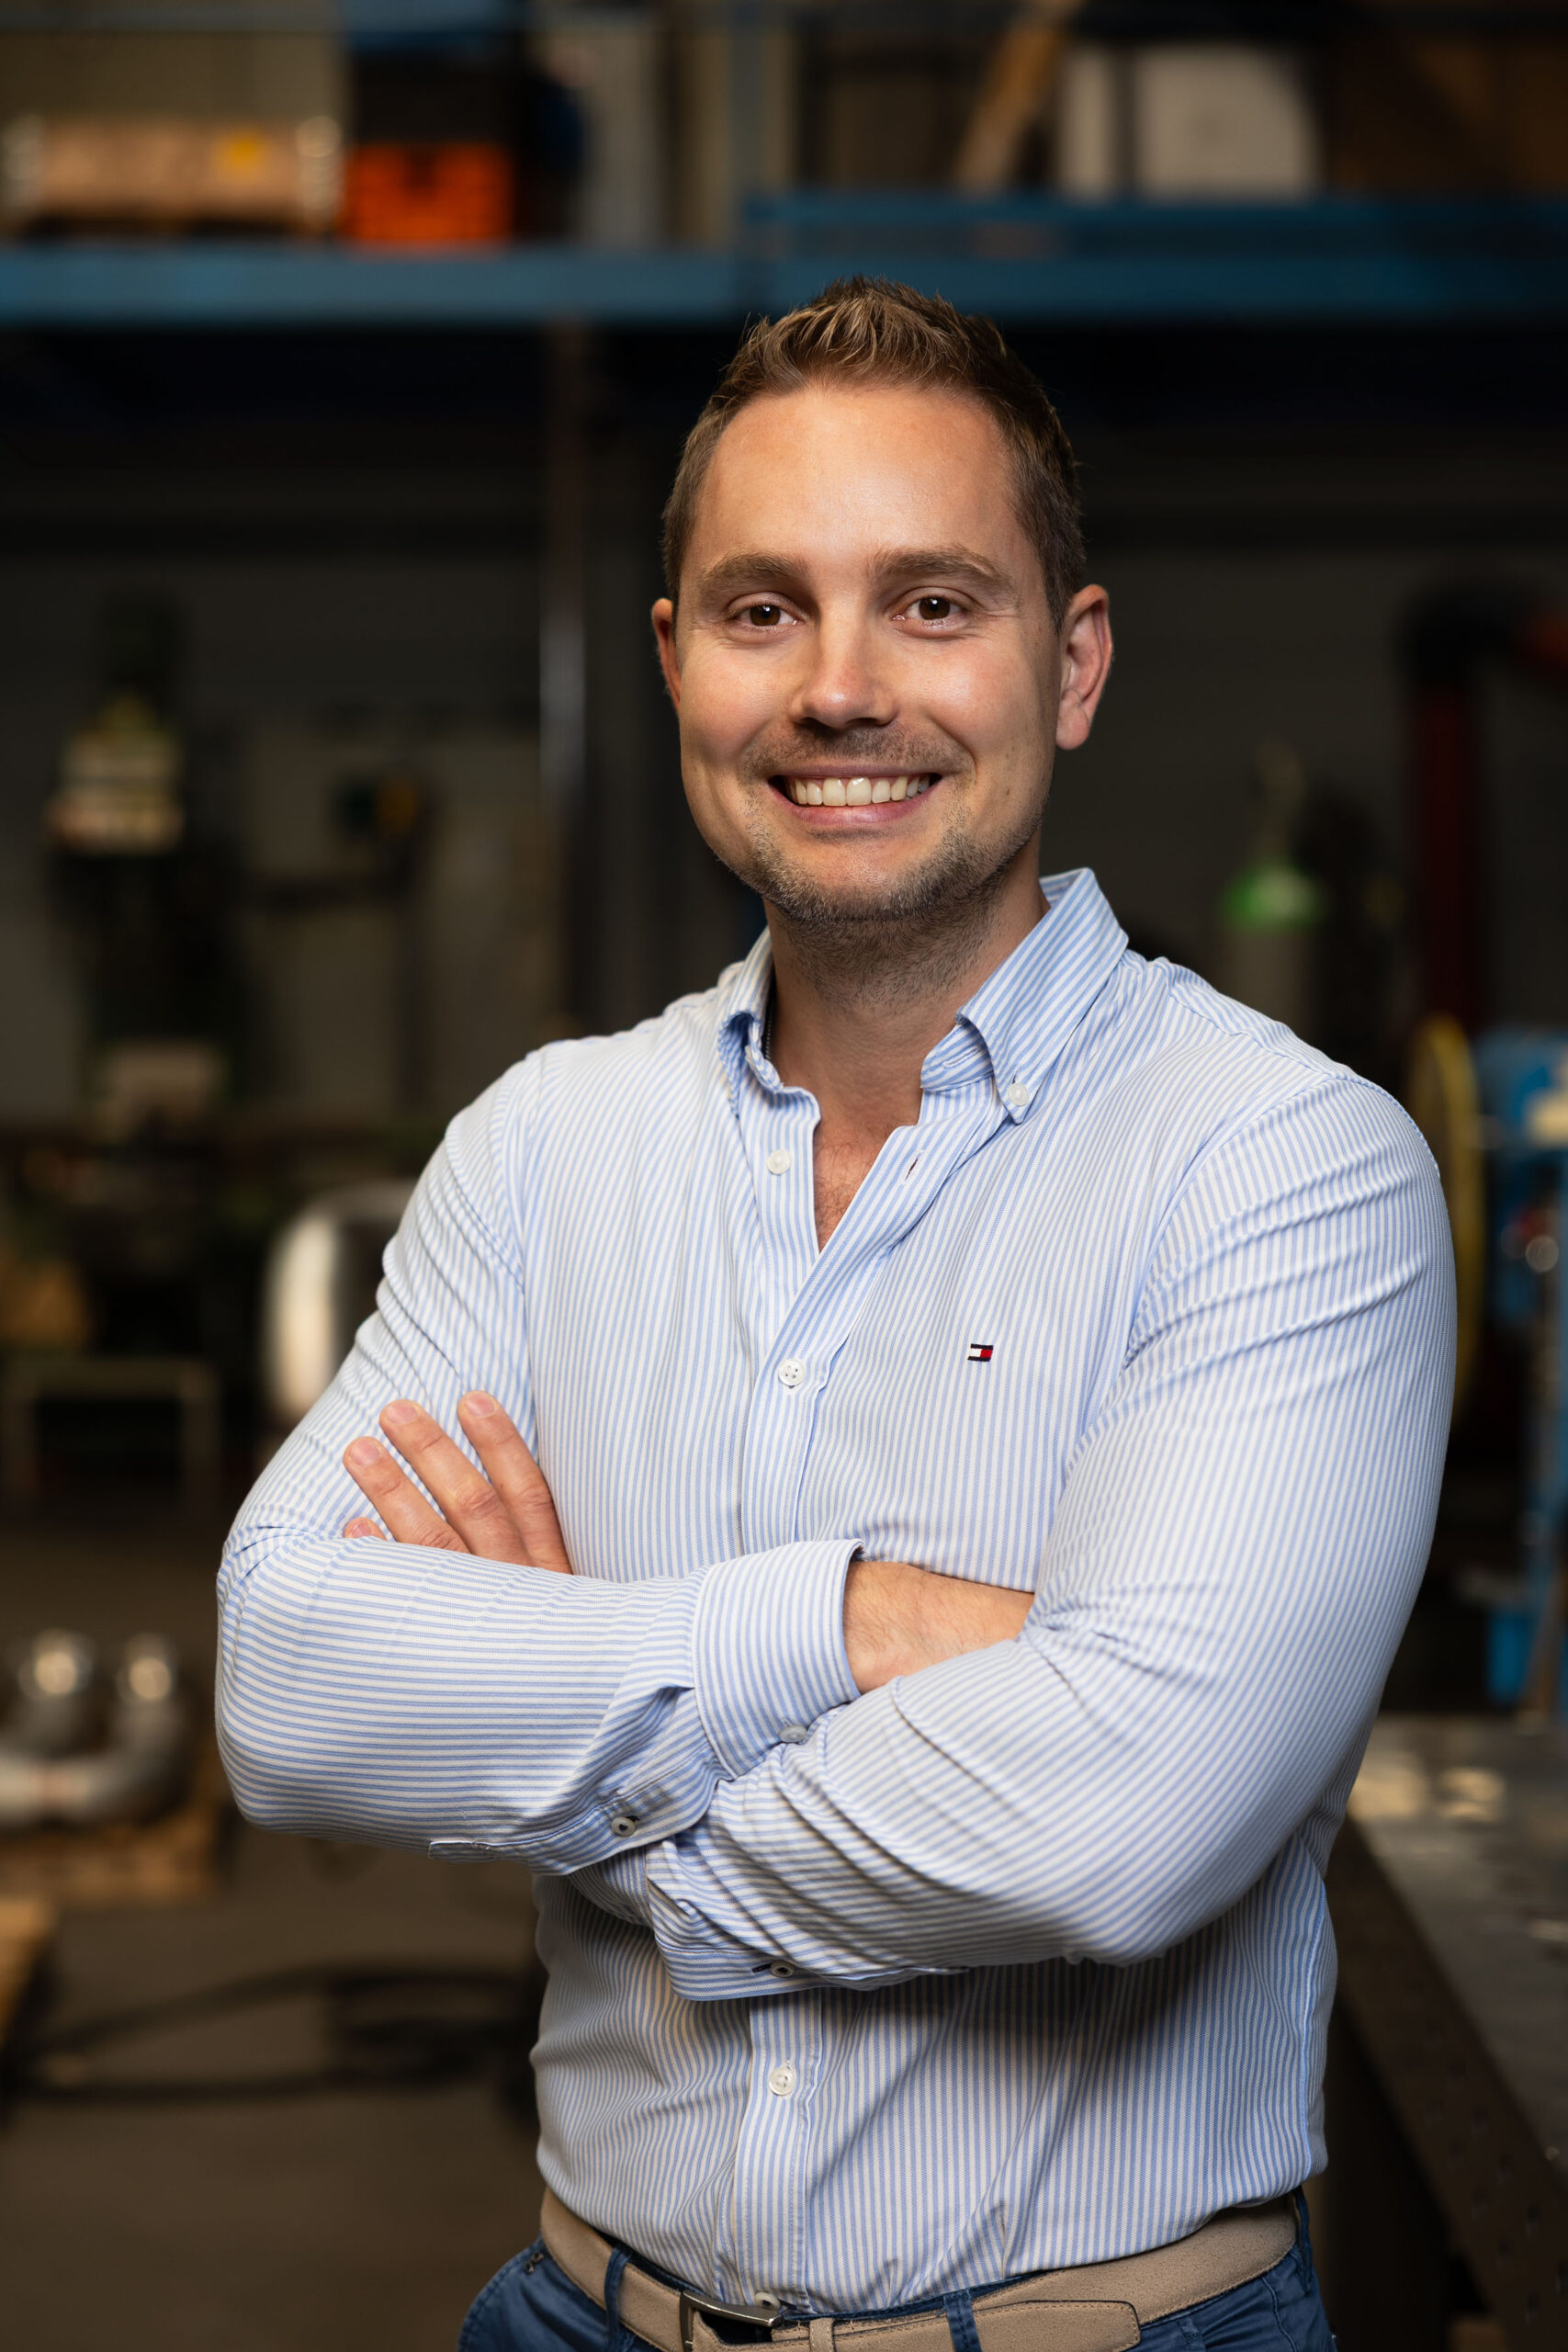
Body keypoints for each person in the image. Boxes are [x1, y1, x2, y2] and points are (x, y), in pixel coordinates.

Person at [219, 278, 1454, 2352]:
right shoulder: (541, 1150)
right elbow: (284, 1681)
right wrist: (853, 1625)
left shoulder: (1281, 1165)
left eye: (933, 605)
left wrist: (570, 1767)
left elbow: (1114, 1825)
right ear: (674, 664)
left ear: (1072, 665)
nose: (841, 689)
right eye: (763, 609)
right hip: (577, 2312)